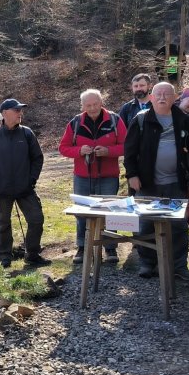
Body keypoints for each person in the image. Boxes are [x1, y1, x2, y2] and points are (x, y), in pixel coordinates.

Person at [123, 82, 189, 281]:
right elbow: (129, 151)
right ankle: (147, 263)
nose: (162, 97)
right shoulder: (141, 119)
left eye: (167, 94)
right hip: (147, 183)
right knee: (145, 225)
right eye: (158, 94)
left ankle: (178, 266)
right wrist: (132, 175)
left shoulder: (182, 119)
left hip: (176, 183)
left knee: (178, 227)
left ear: (175, 98)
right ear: (151, 97)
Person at [58, 89, 127, 264]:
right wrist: (79, 151)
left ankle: (110, 248)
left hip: (108, 176)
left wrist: (108, 151)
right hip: (82, 176)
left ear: (101, 102)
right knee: (82, 213)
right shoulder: (75, 123)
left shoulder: (114, 120)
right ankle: (82, 247)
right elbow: (63, 148)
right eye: (88, 105)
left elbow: (127, 145)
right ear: (82, 106)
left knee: (110, 212)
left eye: (95, 104)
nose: (92, 108)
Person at [0, 99, 49, 268]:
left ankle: (32, 255)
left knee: (36, 219)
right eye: (16, 110)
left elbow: (37, 158)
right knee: (3, 224)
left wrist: (31, 179)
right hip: (1, 189)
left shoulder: (27, 133)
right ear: (4, 113)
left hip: (25, 188)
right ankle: (5, 256)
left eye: (20, 110)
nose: (20, 113)